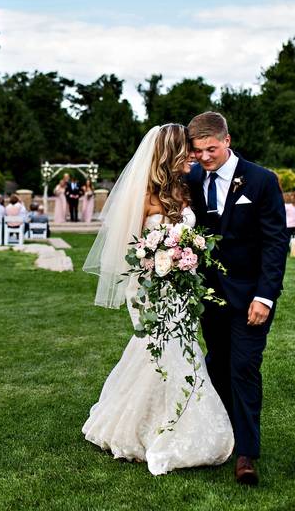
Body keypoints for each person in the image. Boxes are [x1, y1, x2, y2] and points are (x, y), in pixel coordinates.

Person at [82, 123, 234, 476]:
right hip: (151, 289)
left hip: (181, 288)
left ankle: (182, 423)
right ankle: (144, 427)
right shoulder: (146, 196)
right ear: (171, 153)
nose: (195, 157)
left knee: (182, 349)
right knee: (157, 349)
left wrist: (188, 257)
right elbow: (128, 248)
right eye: (189, 151)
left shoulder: (186, 190)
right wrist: (154, 260)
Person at [185, 112, 287, 485]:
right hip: (210, 298)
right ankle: (222, 436)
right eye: (198, 151)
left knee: (244, 368)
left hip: (251, 298)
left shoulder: (260, 180)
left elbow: (276, 242)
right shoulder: (193, 178)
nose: (205, 157)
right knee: (218, 365)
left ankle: (246, 453)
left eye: (211, 148)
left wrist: (265, 296)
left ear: (227, 141)